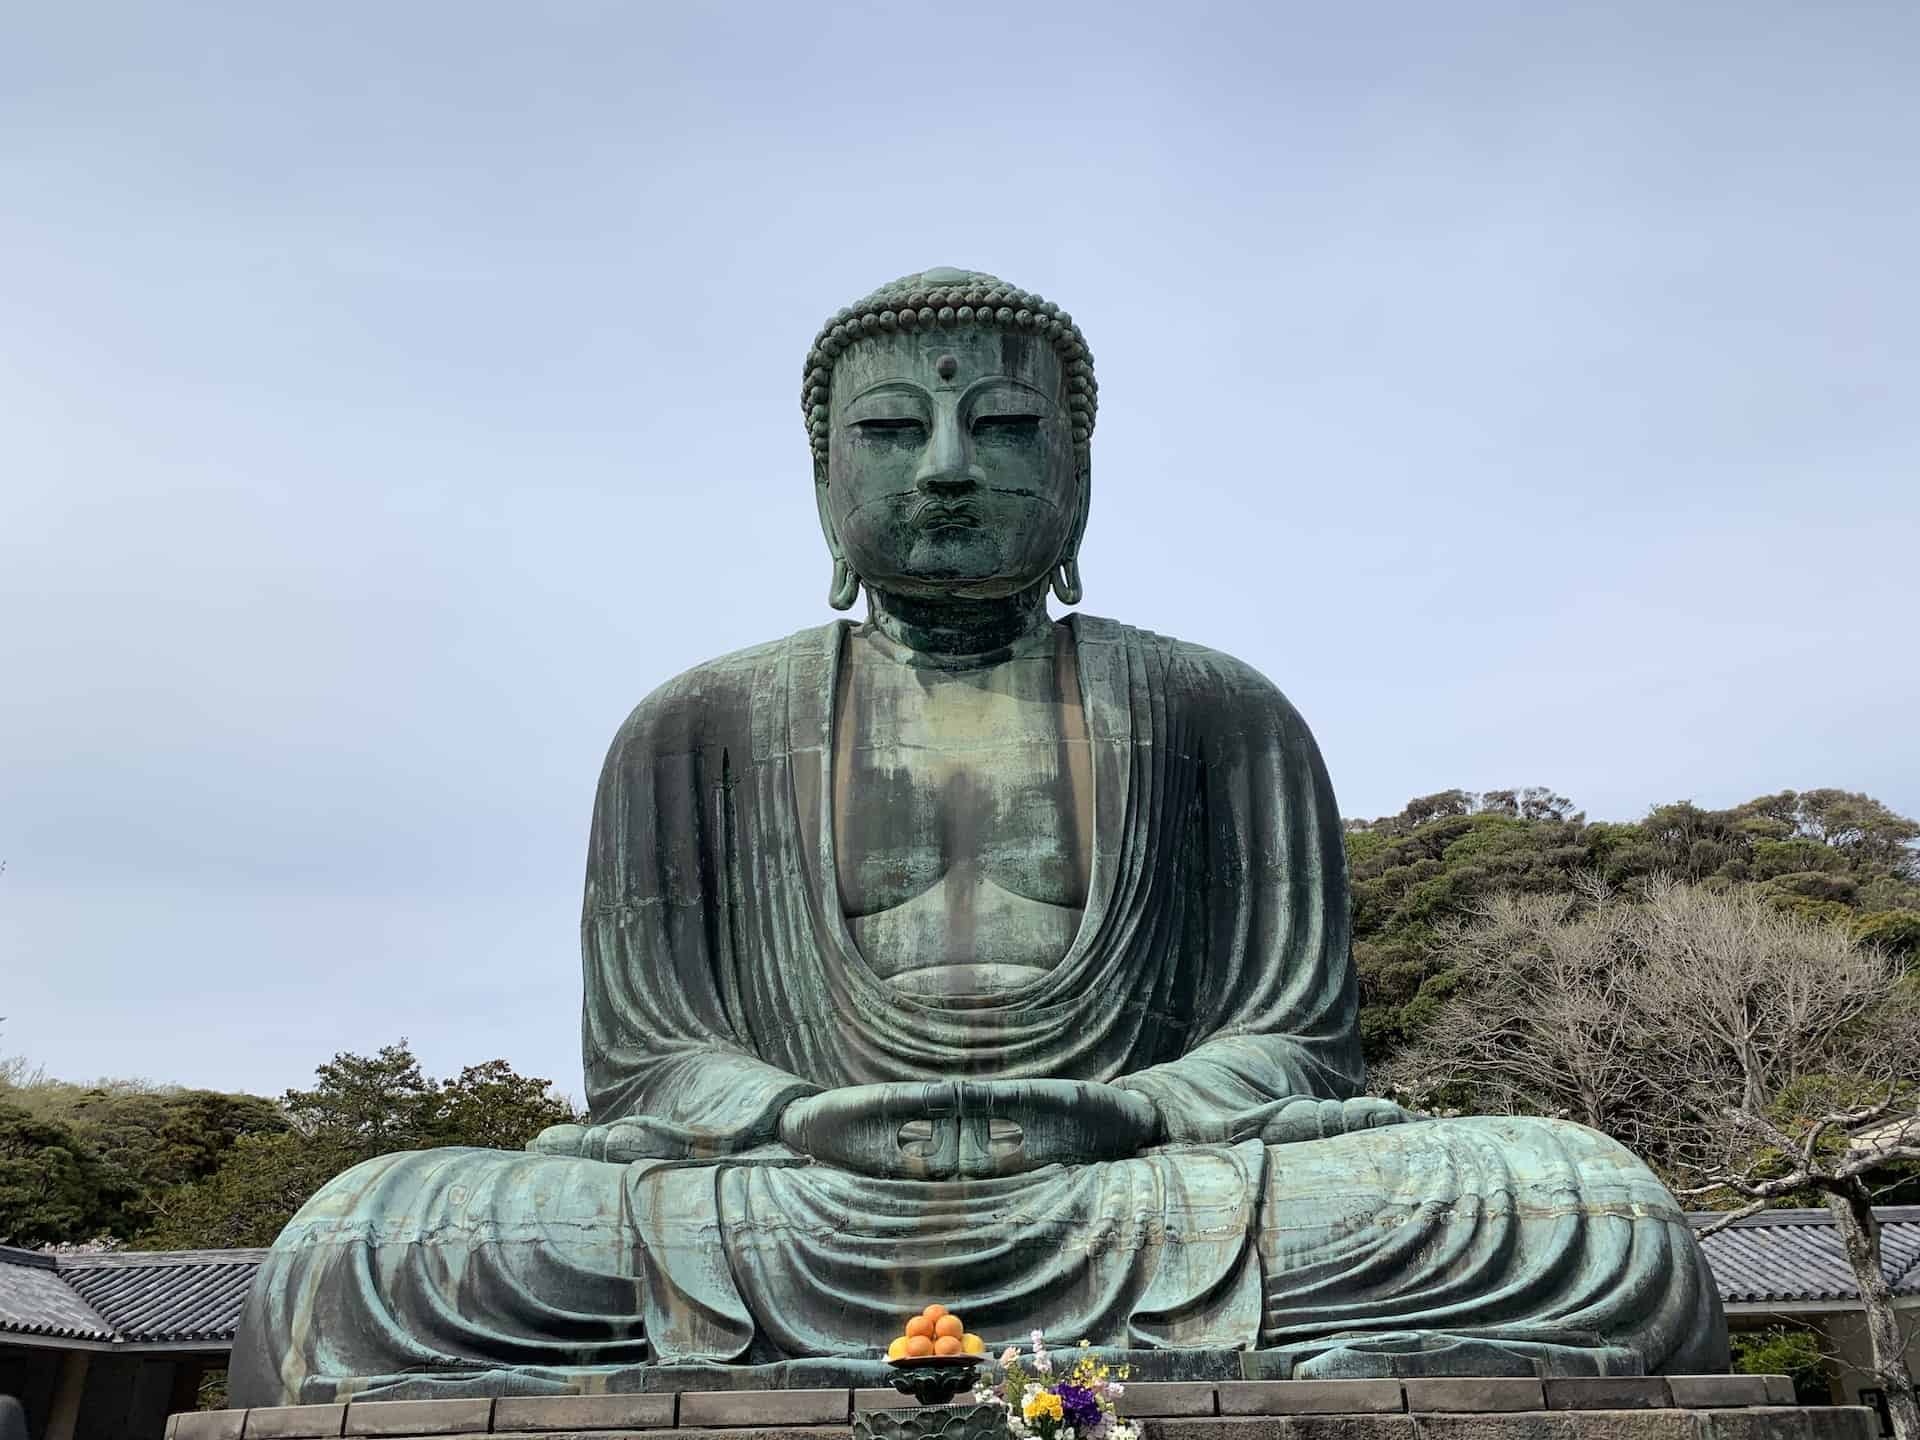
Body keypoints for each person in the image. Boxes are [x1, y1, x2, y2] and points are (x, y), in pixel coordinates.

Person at [229, 269, 1725, 1406]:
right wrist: (787, 1116)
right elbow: (652, 1059)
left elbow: (1291, 1043)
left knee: (1574, 1206)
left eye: (1002, 426)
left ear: (1076, 471)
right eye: (891, 428)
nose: (946, 463)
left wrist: (1129, 1111)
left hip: (1144, 1189)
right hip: (788, 1196)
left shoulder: (1213, 709)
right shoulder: (695, 728)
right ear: (825, 473)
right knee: (363, 1242)